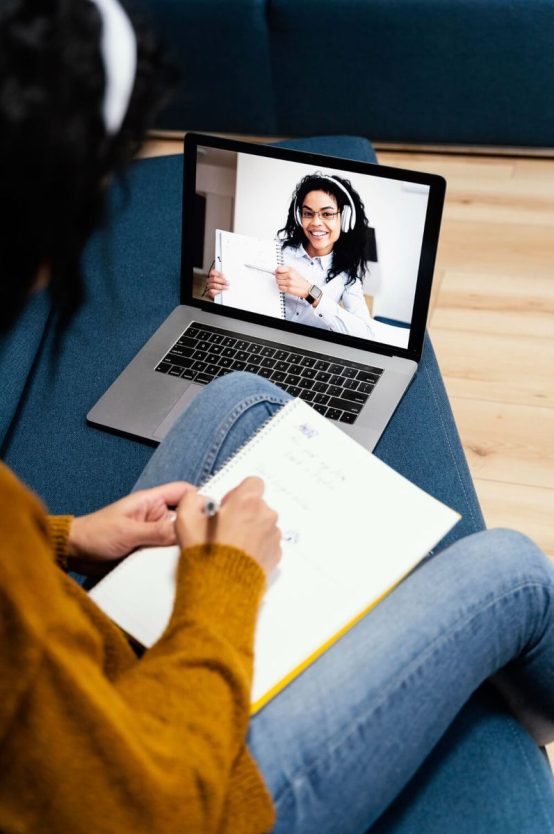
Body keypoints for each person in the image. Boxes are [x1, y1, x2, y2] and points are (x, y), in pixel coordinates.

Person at [0, 2, 553, 834]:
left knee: (240, 397)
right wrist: (226, 585)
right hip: (191, 789)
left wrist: (66, 537)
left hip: (86, 660)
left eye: (333, 214)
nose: (318, 223)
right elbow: (145, 808)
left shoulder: (351, 275)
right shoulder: (282, 257)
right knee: (512, 570)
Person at [206, 173, 382, 340]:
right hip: (259, 339)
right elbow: (242, 300)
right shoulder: (276, 252)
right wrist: (219, 292)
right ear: (299, 217)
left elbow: (365, 334)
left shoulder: (347, 278)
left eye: (327, 214)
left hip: (305, 357)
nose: (315, 222)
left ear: (345, 218)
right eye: (308, 213)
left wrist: (311, 293)